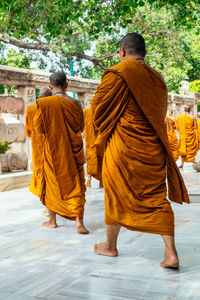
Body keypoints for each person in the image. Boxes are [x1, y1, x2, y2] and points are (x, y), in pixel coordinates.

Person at [91, 33, 189, 268]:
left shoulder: (117, 73)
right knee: (157, 198)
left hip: (122, 147)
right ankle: (171, 253)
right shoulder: (158, 79)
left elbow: (97, 110)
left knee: (115, 195)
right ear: (144, 53)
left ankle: (110, 246)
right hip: (152, 147)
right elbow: (161, 114)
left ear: (122, 51)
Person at [32, 72, 89, 234]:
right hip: (73, 150)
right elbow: (81, 127)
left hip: (54, 151)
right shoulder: (76, 103)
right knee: (77, 183)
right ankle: (79, 222)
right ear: (67, 85)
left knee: (51, 183)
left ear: (50, 87)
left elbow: (38, 128)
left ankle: (52, 221)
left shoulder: (46, 104)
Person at [25, 87, 53, 216]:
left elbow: (28, 132)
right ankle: (51, 206)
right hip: (53, 147)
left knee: (40, 175)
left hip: (37, 149)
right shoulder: (55, 108)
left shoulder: (31, 110)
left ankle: (46, 206)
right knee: (52, 176)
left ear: (38, 97)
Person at [83, 107, 103, 188]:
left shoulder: (86, 112)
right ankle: (102, 181)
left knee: (92, 156)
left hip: (91, 140)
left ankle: (89, 177)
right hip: (101, 140)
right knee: (103, 160)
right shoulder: (104, 110)